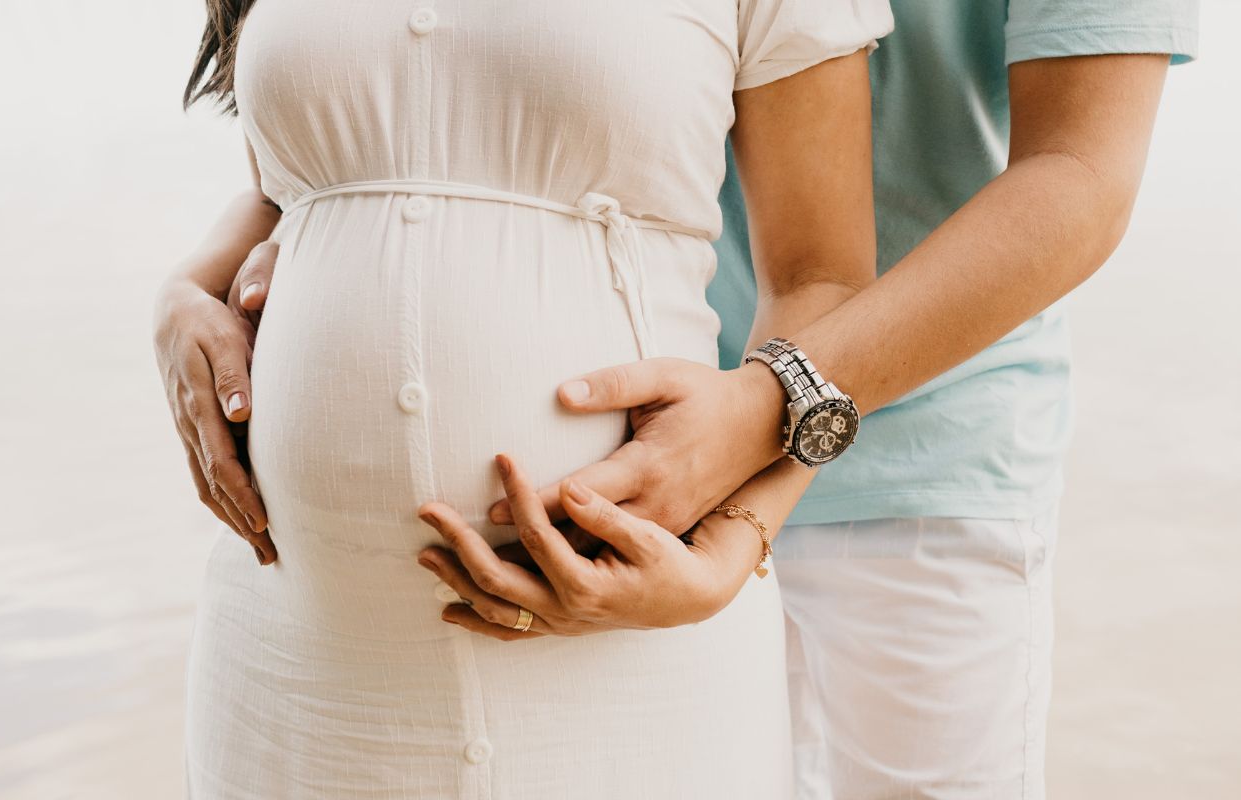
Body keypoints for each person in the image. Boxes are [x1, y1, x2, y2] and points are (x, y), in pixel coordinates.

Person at [171, 2, 1201, 797]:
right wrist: (192, 288)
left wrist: (757, 440)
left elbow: (1080, 174)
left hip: (917, 462)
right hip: (621, 458)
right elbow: (428, 101)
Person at [153, 1, 894, 797]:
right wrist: (184, 292)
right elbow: (298, 182)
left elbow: (821, 280)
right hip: (299, 654)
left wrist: (741, 537)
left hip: (628, 651)